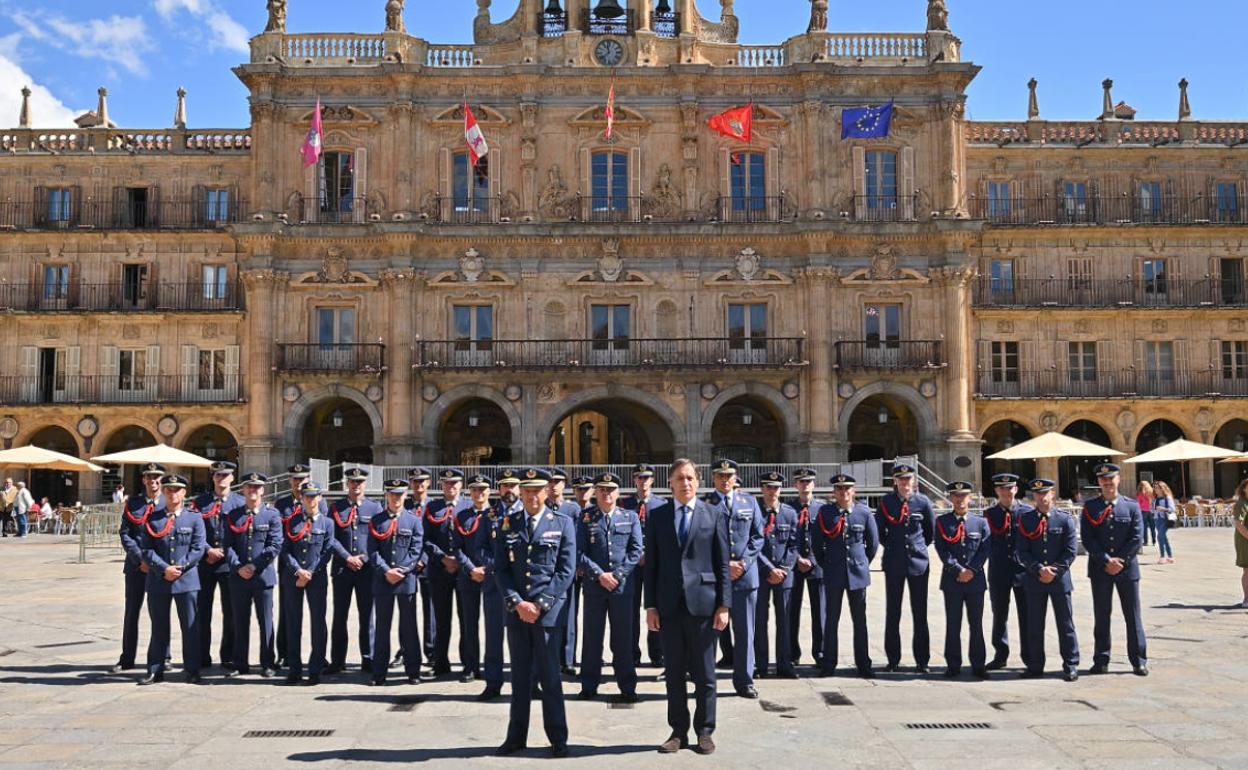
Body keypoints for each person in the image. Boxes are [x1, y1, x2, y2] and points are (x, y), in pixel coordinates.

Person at [644, 459, 731, 756]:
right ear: (670, 482)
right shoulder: (657, 515)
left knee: (705, 674)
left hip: (704, 605)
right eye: (680, 478)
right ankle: (678, 732)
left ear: (698, 481)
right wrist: (651, 606)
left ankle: (705, 731)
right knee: (674, 674)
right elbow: (652, 565)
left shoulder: (713, 514)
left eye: (690, 478)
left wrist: (724, 605)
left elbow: (722, 563)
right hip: (669, 606)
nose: (685, 483)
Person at [494, 468, 577, 758]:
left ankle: (558, 738)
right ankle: (516, 737)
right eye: (527, 491)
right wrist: (518, 603)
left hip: (547, 615)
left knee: (550, 678)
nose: (532, 496)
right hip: (518, 613)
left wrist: (540, 604)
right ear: (520, 492)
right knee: (519, 679)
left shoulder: (563, 523)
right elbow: (501, 569)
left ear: (546, 492)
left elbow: (566, 570)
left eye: (537, 491)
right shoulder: (508, 524)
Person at [576, 472, 643, 704]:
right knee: (592, 638)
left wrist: (617, 575)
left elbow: (635, 551)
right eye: (602, 489)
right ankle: (588, 685)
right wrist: (599, 575)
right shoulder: (585, 517)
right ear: (595, 492)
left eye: (610, 489)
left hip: (621, 588)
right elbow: (579, 551)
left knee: (623, 639)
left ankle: (627, 686)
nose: (606, 493)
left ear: (618, 492)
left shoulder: (629, 517)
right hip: (595, 587)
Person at [138, 473, 207, 685]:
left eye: (177, 489)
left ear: (184, 492)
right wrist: (164, 568)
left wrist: (180, 567)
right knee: (159, 627)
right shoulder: (153, 518)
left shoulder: (194, 518)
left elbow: (198, 548)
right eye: (169, 489)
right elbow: (146, 549)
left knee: (190, 627)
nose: (172, 493)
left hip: (186, 580)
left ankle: (192, 669)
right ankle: (155, 669)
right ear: (164, 492)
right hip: (159, 579)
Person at [1080, 463, 1148, 676]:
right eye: (1103, 479)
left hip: (1127, 570)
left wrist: (1120, 561)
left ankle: (1138, 660)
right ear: (1098, 482)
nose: (1107, 482)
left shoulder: (1131, 506)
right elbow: (1088, 539)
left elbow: (1137, 538)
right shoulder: (1090, 507)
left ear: (1118, 479)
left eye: (1111, 478)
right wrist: (1106, 560)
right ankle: (1101, 660)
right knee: (1102, 615)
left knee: (1132, 615)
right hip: (1100, 569)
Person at [704, 458, 764, 698]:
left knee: (745, 632)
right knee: (710, 632)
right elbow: (700, 540)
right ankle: (706, 681)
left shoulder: (749, 501)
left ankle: (744, 681)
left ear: (735, 477)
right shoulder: (704, 504)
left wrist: (744, 563)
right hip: (715, 579)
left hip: (744, 577)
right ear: (713, 478)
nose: (725, 480)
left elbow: (758, 536)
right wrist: (724, 565)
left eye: (729, 475)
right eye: (720, 475)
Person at [812, 473, 879, 679]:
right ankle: (828, 663)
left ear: (853, 491)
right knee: (831, 620)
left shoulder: (863, 512)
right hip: (833, 573)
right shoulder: (825, 513)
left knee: (860, 621)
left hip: (857, 574)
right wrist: (827, 565)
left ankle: (864, 664)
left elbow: (872, 544)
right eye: (839, 489)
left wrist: (861, 563)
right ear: (834, 492)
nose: (843, 492)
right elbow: (817, 544)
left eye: (847, 488)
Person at [1015, 478, 1080, 682]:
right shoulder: (1026, 520)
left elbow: (1070, 550)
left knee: (1065, 624)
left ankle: (1070, 664)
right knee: (1035, 625)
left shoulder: (1064, 519)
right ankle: (1035, 665)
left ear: (1052, 493)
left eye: (1045, 492)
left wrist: (1055, 570)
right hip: (1035, 579)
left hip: (1059, 580)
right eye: (1038, 493)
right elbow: (1021, 551)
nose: (1042, 497)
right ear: (1034, 496)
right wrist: (1038, 569)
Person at [875, 463, 934, 673]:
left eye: (908, 478)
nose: (904, 482)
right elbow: (879, 532)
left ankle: (922, 660)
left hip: (918, 563)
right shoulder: (886, 502)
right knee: (893, 612)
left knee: (920, 612)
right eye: (900, 479)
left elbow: (930, 532)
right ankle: (893, 659)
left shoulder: (923, 502)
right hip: (894, 562)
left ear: (913, 480)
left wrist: (917, 548)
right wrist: (893, 547)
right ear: (895, 481)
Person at [451, 473, 506, 699]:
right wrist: (471, 569)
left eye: (482, 489)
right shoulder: (462, 516)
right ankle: (471, 665)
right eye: (474, 489)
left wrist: (487, 569)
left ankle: (495, 668)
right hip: (469, 576)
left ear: (489, 491)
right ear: (469, 492)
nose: (478, 493)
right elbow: (457, 547)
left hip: (493, 577)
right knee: (468, 623)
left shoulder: (498, 515)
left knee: (495, 627)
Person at [223, 472, 283, 679]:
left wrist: (254, 566)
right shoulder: (233, 515)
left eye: (257, 487)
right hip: (238, 576)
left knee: (265, 621)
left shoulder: (271, 514)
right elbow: (228, 545)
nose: (253, 490)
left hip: (262, 577)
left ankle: (267, 663)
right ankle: (240, 663)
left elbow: (275, 544)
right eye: (249, 486)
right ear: (243, 489)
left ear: (263, 490)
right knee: (239, 621)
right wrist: (238, 567)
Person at [932, 481, 991, 679]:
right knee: (953, 625)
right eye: (956, 496)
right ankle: (953, 664)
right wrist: (958, 569)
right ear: (951, 498)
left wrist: (971, 570)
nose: (960, 500)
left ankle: (978, 665)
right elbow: (942, 549)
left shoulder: (980, 523)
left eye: (963, 496)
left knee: (976, 625)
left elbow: (985, 549)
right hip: (952, 580)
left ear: (970, 498)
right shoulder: (943, 522)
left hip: (975, 581)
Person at [369, 479, 425, 686]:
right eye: (392, 494)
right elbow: (372, 551)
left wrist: (401, 570)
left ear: (405, 496)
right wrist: (386, 570)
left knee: (409, 628)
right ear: (386, 495)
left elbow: (416, 550)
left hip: (405, 580)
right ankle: (379, 673)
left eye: (399, 494)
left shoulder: (413, 520)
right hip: (383, 580)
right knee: (382, 628)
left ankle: (413, 671)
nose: (396, 498)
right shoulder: (377, 520)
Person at [112, 463, 166, 674]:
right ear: (143, 480)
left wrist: (154, 563)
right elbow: (125, 534)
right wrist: (140, 559)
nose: (153, 481)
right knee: (131, 613)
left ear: (161, 480)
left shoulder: (168, 503)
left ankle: (164, 656)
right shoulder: (133, 503)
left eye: (156, 477)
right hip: (136, 567)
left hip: (159, 568)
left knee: (159, 614)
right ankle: (127, 658)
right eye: (149, 477)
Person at [279, 481, 335, 685]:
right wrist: (298, 571)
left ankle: (315, 668)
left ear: (320, 498)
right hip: (293, 577)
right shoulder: (291, 521)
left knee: (318, 623)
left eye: (314, 496)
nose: (310, 500)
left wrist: (310, 572)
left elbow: (327, 552)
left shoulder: (327, 523)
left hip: (316, 578)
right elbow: (284, 550)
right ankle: (294, 669)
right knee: (293, 623)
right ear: (301, 498)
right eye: (307, 496)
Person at [191, 460, 244, 672]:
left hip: (229, 564)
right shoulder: (200, 502)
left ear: (232, 478)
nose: (221, 478)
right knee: (202, 611)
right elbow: (195, 531)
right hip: (205, 563)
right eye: (218, 475)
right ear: (212, 477)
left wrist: (224, 551)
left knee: (231, 612)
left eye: (225, 475)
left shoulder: (239, 502)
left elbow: (242, 533)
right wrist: (207, 550)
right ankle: (202, 654)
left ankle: (228, 655)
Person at [328, 467, 381, 674]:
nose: (356, 485)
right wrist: (347, 557)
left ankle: (369, 658)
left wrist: (364, 558)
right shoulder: (336, 507)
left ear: (365, 484)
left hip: (367, 570)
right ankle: (337, 660)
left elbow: (378, 536)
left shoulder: (374, 508)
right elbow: (331, 538)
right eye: (352, 481)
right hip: (343, 569)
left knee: (367, 615)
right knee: (339, 615)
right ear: (347, 483)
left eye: (359, 482)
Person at [274, 463, 326, 668]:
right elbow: (279, 536)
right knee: (287, 612)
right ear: (290, 480)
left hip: (313, 566)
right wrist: (294, 567)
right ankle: (285, 653)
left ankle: (319, 655)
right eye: (295, 479)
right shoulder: (282, 504)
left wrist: (311, 569)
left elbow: (324, 534)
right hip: (289, 565)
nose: (298, 482)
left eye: (302, 479)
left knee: (317, 615)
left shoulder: (320, 503)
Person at [982, 472, 1033, 670]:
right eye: (1002, 488)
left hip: (1023, 571)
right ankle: (1000, 654)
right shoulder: (989, 514)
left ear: (1016, 489)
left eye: (1009, 488)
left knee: (1026, 615)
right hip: (999, 570)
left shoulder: (1027, 512)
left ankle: (1029, 656)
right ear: (996, 491)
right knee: (999, 615)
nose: (1006, 492)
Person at [754, 471, 800, 680]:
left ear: (781, 489)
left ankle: (784, 664)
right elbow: (752, 543)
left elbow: (794, 545)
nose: (772, 491)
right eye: (768, 487)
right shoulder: (755, 512)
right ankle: (761, 664)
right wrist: (768, 569)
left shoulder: (789, 513)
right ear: (762, 489)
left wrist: (782, 568)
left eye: (776, 487)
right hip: (761, 574)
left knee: (785, 622)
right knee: (759, 621)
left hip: (784, 576)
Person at [621, 463, 664, 672]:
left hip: (654, 563)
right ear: (634, 480)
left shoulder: (661, 504)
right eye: (639, 477)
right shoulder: (625, 504)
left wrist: (651, 554)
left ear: (652, 480)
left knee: (655, 606)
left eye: (646, 477)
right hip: (632, 564)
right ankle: (632, 653)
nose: (643, 481)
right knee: (631, 610)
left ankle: (657, 653)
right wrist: (634, 554)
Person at [423, 468, 463, 678]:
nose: (451, 486)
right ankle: (440, 663)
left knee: (466, 619)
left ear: (461, 485)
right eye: (447, 483)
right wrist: (443, 558)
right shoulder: (432, 507)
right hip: (439, 571)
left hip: (464, 571)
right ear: (441, 485)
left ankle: (469, 663)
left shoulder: (467, 506)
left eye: (454, 483)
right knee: (441, 619)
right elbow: (425, 538)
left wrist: (459, 560)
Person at [787, 467, 825, 670]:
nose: (805, 485)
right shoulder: (788, 509)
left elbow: (826, 539)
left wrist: (812, 559)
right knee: (791, 611)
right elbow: (785, 540)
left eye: (808, 482)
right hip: (794, 566)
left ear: (814, 484)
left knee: (820, 612)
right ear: (796, 485)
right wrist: (797, 559)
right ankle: (792, 653)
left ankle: (820, 652)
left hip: (817, 566)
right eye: (801, 482)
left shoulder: (822, 509)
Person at [546, 467, 582, 677]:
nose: (553, 486)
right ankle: (549, 657)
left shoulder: (572, 509)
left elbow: (577, 540)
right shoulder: (540, 507)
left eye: (558, 482)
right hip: (546, 569)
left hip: (566, 569)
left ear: (564, 485)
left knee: (568, 615)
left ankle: (567, 659)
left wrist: (575, 565)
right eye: (550, 482)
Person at [403, 467, 433, 668]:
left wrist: (423, 559)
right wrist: (411, 561)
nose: (418, 485)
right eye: (415, 481)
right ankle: (406, 650)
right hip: (406, 566)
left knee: (431, 611)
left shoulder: (434, 506)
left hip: (429, 565)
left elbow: (434, 536)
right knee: (406, 611)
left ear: (428, 483)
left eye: (422, 481)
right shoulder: (403, 504)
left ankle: (431, 651)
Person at [1153, 481, 1176, 564]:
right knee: (1163, 538)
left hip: (1165, 519)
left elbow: (1172, 509)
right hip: (1157, 519)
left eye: (1157, 488)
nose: (1155, 489)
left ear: (1162, 488)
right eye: (1155, 488)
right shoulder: (1155, 499)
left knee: (1159, 536)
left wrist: (1163, 509)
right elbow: (1153, 510)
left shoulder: (1168, 498)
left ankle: (1162, 557)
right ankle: (1170, 557)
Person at [1233, 478, 1248, 608]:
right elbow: (1238, 524)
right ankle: (1246, 599)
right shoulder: (1242, 504)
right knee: (1247, 570)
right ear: (1244, 489)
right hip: (1245, 540)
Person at [1136, 480, 1155, 547]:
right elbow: (1154, 502)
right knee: (1152, 526)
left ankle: (1146, 541)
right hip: (1151, 511)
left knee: (1144, 527)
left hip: (1143, 511)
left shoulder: (1139, 494)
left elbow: (1138, 504)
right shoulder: (1151, 493)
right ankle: (1154, 541)